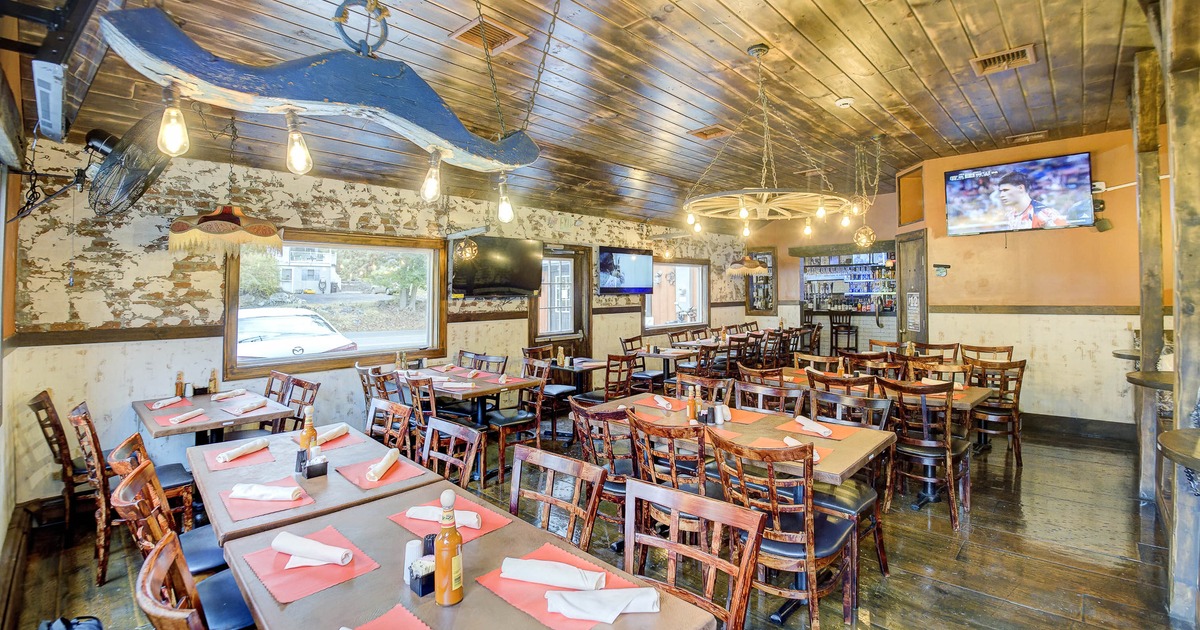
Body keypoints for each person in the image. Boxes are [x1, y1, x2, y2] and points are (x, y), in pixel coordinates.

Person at [996, 171, 1067, 230]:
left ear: (1020, 188)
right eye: (1001, 191)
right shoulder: (1010, 215)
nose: (1001, 195)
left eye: (1005, 190)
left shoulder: (1045, 214)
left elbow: (1065, 238)